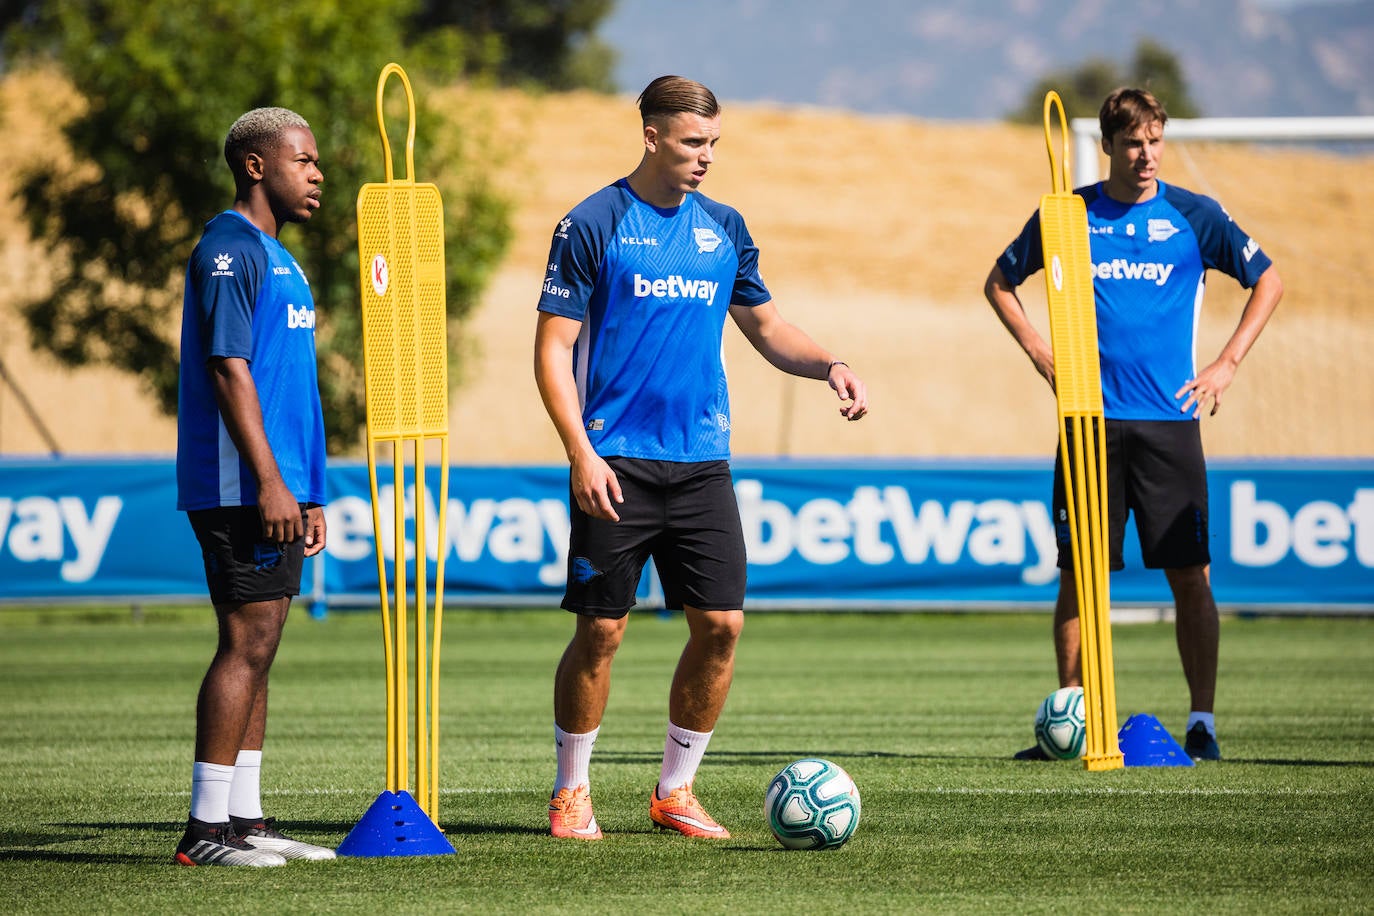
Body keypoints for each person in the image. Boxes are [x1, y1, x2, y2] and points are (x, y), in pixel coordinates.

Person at [534, 75, 869, 839]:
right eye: (692, 142)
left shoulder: (724, 228)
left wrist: (829, 365)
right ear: (652, 135)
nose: (706, 157)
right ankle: (571, 791)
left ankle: (674, 792)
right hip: (614, 459)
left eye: (714, 143)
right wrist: (580, 453)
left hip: (702, 464)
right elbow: (552, 352)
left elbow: (768, 326)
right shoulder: (591, 223)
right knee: (602, 632)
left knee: (721, 624)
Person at [984, 87, 1282, 761]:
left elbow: (1268, 280)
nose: (1146, 155)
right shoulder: (1067, 217)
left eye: (1155, 141)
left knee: (1190, 576)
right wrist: (1040, 350)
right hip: (1090, 421)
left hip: (1170, 424)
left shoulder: (1195, 216)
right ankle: (1072, 723)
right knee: (1080, 576)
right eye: (1133, 143)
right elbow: (1000, 282)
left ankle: (1201, 722)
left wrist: (1227, 363)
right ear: (1110, 146)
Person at [173, 107, 335, 865]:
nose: (318, 174)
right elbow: (229, 370)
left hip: (280, 486)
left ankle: (246, 820)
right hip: (241, 484)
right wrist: (270, 482)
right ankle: (205, 832)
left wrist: (310, 493)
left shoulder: (281, 257)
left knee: (262, 645)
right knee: (246, 642)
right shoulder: (229, 250)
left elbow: (291, 386)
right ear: (256, 166)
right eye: (304, 160)